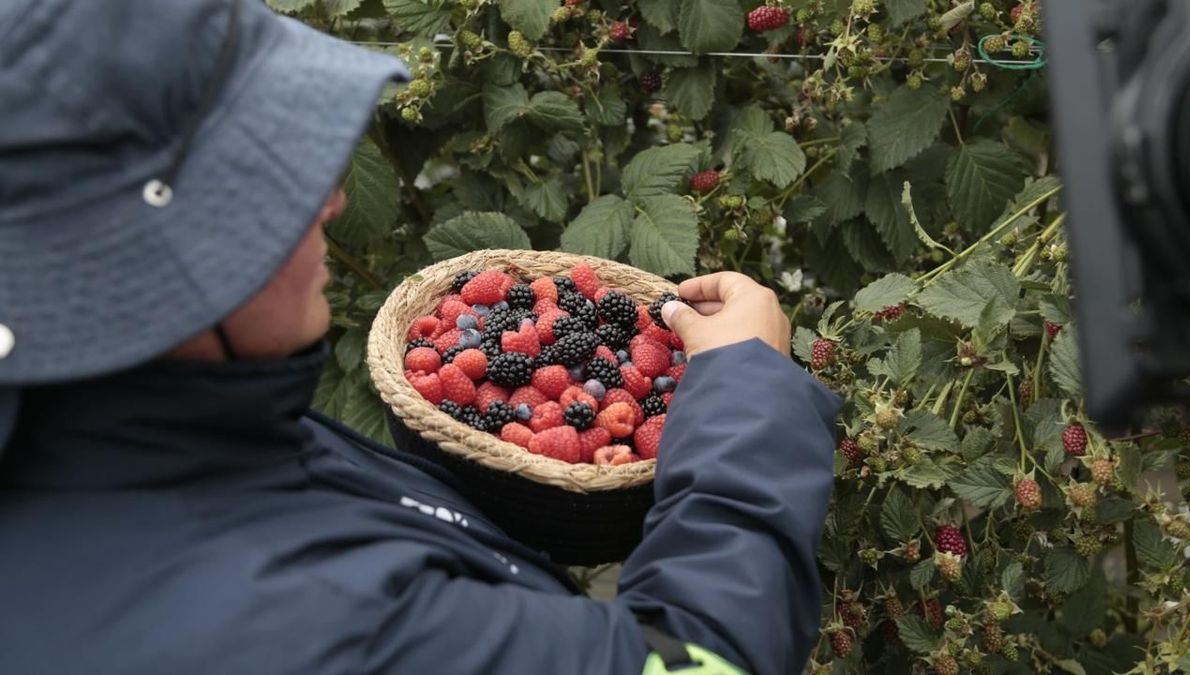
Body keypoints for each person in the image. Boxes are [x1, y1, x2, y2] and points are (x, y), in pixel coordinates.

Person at [0, 0, 841, 673]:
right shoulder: (324, 627)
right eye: (274, 180)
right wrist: (744, 390)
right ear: (160, 262)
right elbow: (705, 659)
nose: (331, 200)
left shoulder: (121, 428)